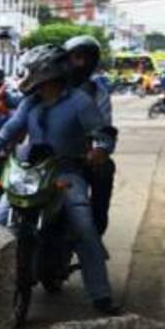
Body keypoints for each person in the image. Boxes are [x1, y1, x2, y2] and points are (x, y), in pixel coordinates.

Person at [0, 45, 117, 314]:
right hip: (30, 172)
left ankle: (101, 294)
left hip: (66, 173)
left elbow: (102, 132)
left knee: (83, 227)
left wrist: (101, 149)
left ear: (47, 72)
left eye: (30, 70)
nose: (26, 76)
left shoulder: (79, 101)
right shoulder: (31, 102)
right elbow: (12, 127)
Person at [64, 35, 117, 236]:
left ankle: (96, 229)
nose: (81, 63)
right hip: (48, 153)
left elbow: (104, 126)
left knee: (104, 169)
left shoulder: (98, 92)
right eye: (77, 57)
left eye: (87, 58)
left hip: (82, 154)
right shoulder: (50, 85)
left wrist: (100, 149)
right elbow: (19, 118)